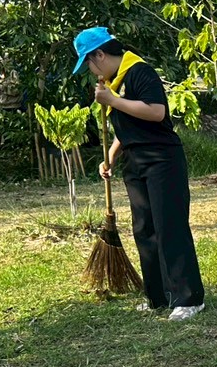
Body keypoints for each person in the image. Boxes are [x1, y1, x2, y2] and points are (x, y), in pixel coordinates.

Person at [74, 26, 205, 320]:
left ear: (100, 54)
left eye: (88, 63)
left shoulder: (139, 72)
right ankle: (158, 296)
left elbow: (156, 112)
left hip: (161, 159)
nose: (89, 70)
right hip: (134, 161)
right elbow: (129, 126)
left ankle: (189, 297)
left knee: (169, 226)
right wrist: (110, 156)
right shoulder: (113, 83)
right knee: (144, 229)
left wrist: (114, 102)